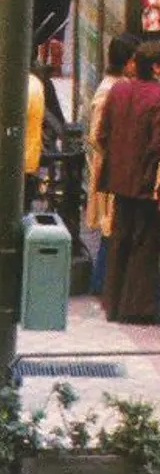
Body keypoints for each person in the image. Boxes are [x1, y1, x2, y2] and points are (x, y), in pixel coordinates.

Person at [96, 40, 160, 324]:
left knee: (120, 238)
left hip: (119, 178)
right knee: (144, 243)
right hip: (147, 181)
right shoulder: (157, 97)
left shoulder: (119, 90)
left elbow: (102, 134)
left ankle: (113, 302)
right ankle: (137, 307)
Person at [86, 33, 139, 295]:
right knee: (110, 225)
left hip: (113, 166)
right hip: (111, 168)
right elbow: (96, 135)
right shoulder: (109, 90)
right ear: (127, 62)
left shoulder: (120, 86)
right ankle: (101, 282)